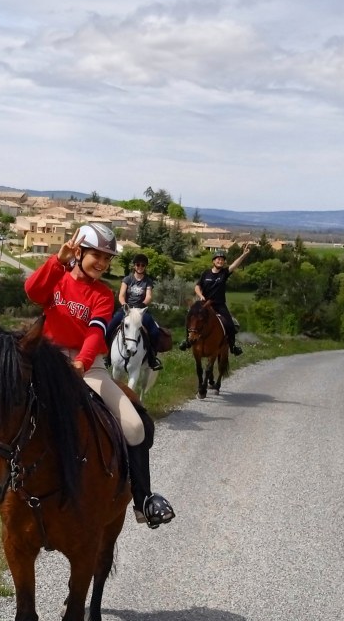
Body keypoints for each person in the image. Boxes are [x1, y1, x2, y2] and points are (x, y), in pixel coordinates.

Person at [24, 223, 175, 528]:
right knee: (1, 402)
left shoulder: (103, 295)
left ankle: (143, 500)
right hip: (45, 359)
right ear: (78, 251)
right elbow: (33, 291)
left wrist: (82, 361)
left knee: (134, 426)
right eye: (98, 255)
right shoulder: (58, 278)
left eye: (108, 258)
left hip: (87, 365)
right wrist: (57, 260)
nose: (103, 264)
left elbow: (96, 333)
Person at [179, 243, 255, 355]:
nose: (220, 261)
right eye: (218, 259)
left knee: (229, 324)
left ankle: (233, 346)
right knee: (191, 318)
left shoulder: (224, 273)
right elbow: (197, 286)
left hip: (219, 305)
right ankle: (187, 341)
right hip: (204, 304)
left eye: (222, 260)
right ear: (213, 261)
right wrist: (200, 295)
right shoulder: (206, 273)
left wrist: (244, 255)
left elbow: (234, 265)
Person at [106, 253, 163, 371]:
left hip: (140, 310)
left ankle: (152, 359)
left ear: (145, 266)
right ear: (134, 266)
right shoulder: (127, 279)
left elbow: (148, 296)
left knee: (155, 332)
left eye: (143, 265)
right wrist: (124, 305)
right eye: (138, 264)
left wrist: (142, 305)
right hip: (126, 309)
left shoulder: (148, 281)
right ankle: (107, 355)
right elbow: (121, 295)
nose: (140, 267)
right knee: (110, 327)